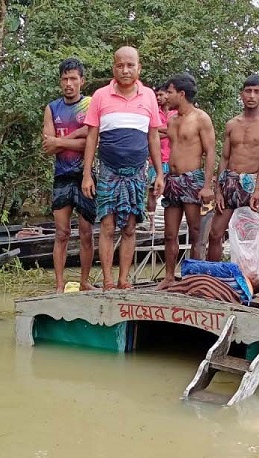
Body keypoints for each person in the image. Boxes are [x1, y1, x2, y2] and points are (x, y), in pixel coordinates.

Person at [80, 46, 165, 290]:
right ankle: (107, 280)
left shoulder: (148, 96)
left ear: (139, 68)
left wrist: (159, 173)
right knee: (107, 225)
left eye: (130, 65)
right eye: (120, 65)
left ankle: (123, 280)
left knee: (129, 226)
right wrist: (87, 174)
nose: (125, 70)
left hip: (138, 172)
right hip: (107, 170)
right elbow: (92, 137)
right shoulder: (100, 96)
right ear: (113, 68)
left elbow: (153, 138)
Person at [41, 57, 95, 292]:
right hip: (61, 175)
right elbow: (48, 147)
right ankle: (59, 284)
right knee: (61, 233)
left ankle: (84, 282)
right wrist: (78, 136)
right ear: (60, 82)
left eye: (73, 79)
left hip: (87, 174)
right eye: (65, 79)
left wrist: (62, 140)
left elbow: (92, 143)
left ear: (82, 81)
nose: (69, 83)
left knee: (86, 233)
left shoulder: (91, 105)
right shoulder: (52, 108)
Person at [158, 74, 216, 287]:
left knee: (195, 231)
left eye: (170, 92)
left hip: (192, 180)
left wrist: (207, 185)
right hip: (172, 180)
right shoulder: (172, 120)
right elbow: (157, 136)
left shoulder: (201, 118)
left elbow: (210, 152)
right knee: (170, 233)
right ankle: (169, 277)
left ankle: (194, 277)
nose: (167, 96)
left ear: (181, 94)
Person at [208, 76, 259, 263]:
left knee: (249, 235)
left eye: (256, 91)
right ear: (241, 94)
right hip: (229, 182)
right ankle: (213, 275)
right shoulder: (232, 124)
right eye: (248, 91)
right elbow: (224, 158)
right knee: (215, 233)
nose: (251, 96)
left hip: (252, 183)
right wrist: (217, 190)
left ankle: (251, 276)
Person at [145, 84, 177, 219]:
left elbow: (176, 131)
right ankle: (151, 223)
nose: (158, 98)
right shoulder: (153, 112)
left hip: (172, 159)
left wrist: (159, 131)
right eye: (156, 95)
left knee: (171, 192)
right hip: (155, 159)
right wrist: (168, 132)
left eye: (161, 95)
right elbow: (149, 132)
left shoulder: (175, 113)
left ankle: (168, 223)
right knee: (152, 191)